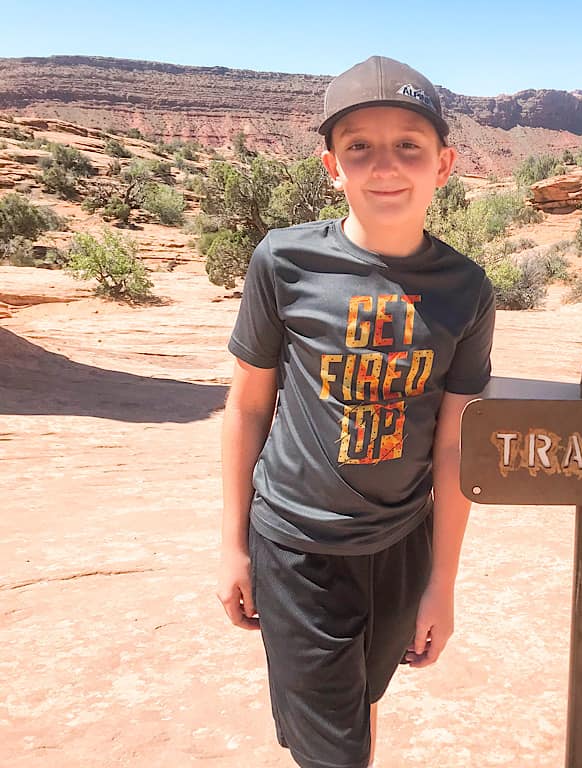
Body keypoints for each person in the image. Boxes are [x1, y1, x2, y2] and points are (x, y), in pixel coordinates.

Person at [216, 55, 496, 768]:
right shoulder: (283, 262)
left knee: (363, 707)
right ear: (331, 166)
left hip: (400, 546)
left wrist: (441, 584)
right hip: (297, 545)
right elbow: (248, 406)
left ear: (445, 164)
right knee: (331, 752)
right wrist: (232, 545)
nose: (385, 166)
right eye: (359, 148)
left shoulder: (466, 288)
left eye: (409, 145)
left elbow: (457, 445)